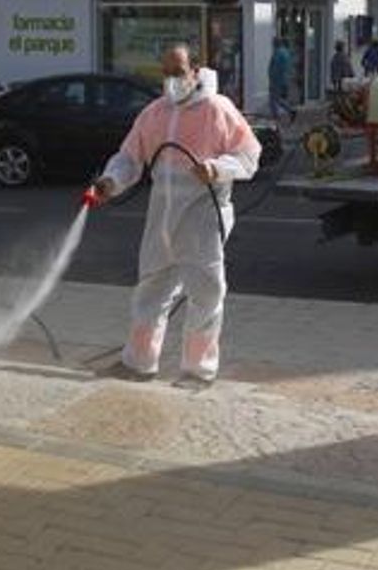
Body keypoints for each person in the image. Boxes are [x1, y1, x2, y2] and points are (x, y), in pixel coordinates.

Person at [91, 44, 263, 390]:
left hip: (201, 217)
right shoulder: (154, 113)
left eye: (178, 72)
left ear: (196, 70)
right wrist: (111, 180)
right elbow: (129, 156)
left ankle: (198, 371)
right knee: (151, 289)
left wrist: (216, 168)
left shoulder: (218, 110)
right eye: (166, 73)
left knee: (206, 293)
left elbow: (249, 155)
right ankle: (139, 363)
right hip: (162, 218)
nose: (171, 80)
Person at [267, 37, 296, 124]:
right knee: (278, 99)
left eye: (273, 43)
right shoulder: (286, 53)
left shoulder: (278, 53)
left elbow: (275, 68)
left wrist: (272, 79)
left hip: (277, 81)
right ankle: (288, 111)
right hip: (284, 80)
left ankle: (277, 117)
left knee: (274, 99)